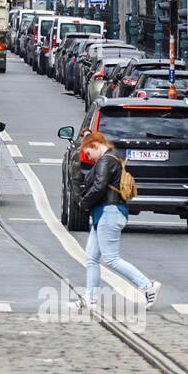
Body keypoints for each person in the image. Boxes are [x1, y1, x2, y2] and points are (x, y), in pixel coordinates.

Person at [77, 131, 161, 309]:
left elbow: (99, 186)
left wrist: (83, 203)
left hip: (109, 212)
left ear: (95, 145)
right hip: (105, 212)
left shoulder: (106, 160)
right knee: (92, 257)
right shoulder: (114, 159)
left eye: (88, 153)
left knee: (111, 258)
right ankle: (89, 299)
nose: (89, 158)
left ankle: (147, 285)